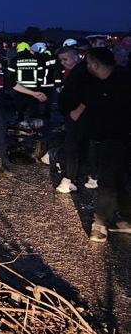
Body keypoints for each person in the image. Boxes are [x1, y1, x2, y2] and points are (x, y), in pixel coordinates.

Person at [81, 48, 131, 242]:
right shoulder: (122, 77)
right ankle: (126, 219)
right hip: (113, 138)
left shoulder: (114, 84)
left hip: (115, 139)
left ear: (95, 64)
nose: (87, 67)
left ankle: (100, 224)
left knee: (108, 182)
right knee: (122, 180)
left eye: (88, 63)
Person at [52, 46, 89, 193]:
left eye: (65, 59)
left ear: (76, 56)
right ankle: (83, 175)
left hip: (78, 115)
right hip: (71, 113)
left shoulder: (83, 72)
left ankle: (70, 179)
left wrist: (78, 111)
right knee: (76, 146)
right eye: (61, 60)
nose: (63, 62)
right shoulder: (70, 71)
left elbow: (89, 94)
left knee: (72, 146)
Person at [7, 42, 47, 121]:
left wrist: (12, 86)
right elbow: (41, 74)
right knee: (33, 109)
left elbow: (10, 75)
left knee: (20, 109)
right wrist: (38, 85)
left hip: (20, 89)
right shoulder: (37, 60)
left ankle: (21, 123)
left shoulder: (15, 60)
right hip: (33, 89)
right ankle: (34, 126)